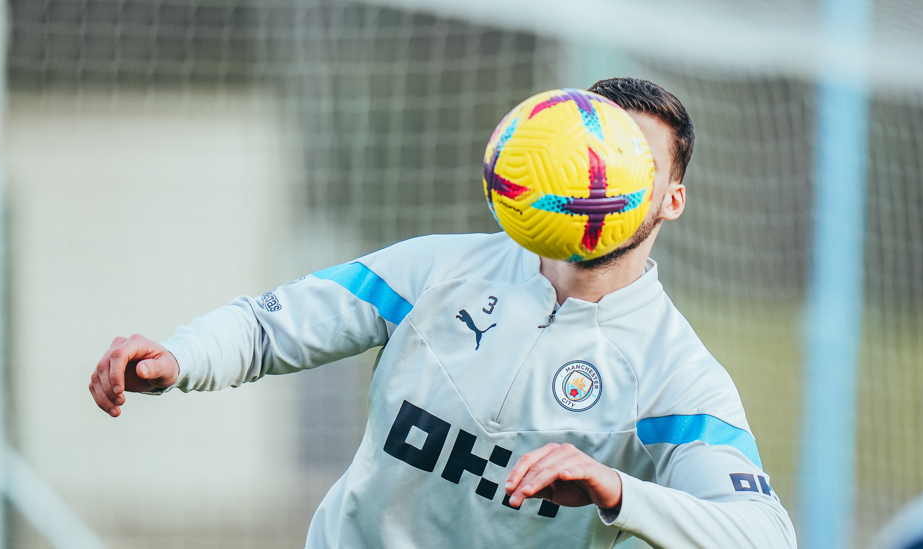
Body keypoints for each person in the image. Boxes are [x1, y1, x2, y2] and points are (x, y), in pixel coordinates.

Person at [89, 77, 797, 548]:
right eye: (592, 155)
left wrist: (619, 490)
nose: (601, 180)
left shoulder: (672, 371)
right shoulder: (440, 268)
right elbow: (269, 323)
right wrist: (182, 356)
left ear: (672, 197)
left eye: (633, 164)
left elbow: (763, 533)